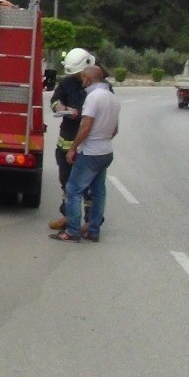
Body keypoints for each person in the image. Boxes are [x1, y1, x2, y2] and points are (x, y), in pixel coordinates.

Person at [51, 64, 121, 243]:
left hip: (90, 153)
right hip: (106, 152)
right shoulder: (111, 98)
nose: (82, 82)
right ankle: (93, 230)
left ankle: (72, 231)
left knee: (73, 190)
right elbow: (115, 130)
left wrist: (74, 148)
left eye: (83, 79)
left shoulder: (93, 97)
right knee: (98, 192)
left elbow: (86, 126)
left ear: (88, 79)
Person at [47, 47, 94, 231]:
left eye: (79, 73)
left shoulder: (98, 85)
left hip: (87, 144)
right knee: (66, 182)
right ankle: (67, 216)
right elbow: (54, 100)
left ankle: (89, 221)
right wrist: (58, 106)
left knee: (89, 186)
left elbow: (98, 112)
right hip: (66, 140)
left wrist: (79, 114)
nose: (78, 77)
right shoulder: (67, 83)